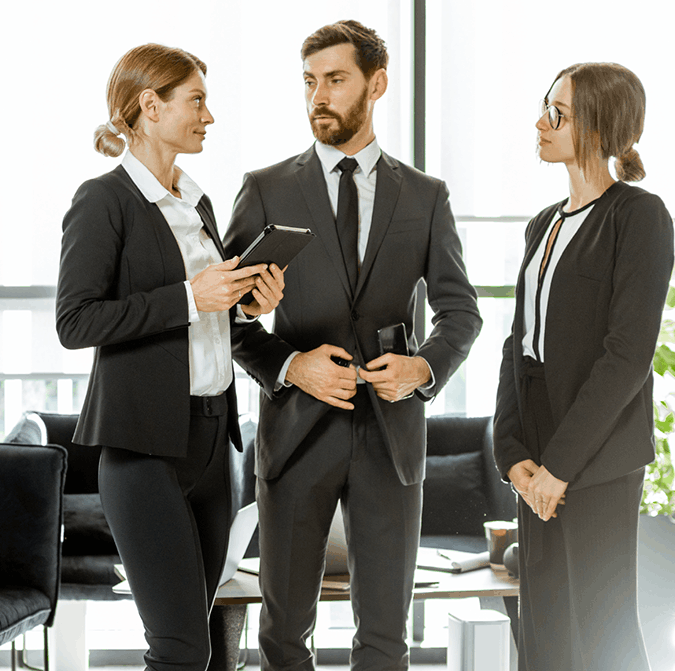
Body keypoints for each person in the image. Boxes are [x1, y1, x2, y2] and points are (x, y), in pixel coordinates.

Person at [225, 20, 481, 671]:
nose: (318, 96)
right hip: (295, 435)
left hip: (391, 439)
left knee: (386, 638)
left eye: (334, 80)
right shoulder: (266, 188)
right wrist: (289, 364)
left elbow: (460, 312)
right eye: (309, 81)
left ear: (376, 83)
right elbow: (222, 317)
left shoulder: (425, 197)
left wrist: (423, 366)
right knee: (283, 637)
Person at [56, 43, 286, 671]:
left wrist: (245, 302)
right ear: (150, 106)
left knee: (209, 643)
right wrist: (189, 297)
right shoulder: (103, 200)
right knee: (179, 648)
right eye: (197, 100)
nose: (209, 116)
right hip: (142, 448)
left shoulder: (197, 203)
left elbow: (211, 316)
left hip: (214, 442)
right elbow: (74, 322)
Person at [492, 62, 672, 671]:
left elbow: (626, 357)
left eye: (557, 114)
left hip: (595, 453)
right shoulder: (543, 223)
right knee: (542, 627)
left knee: (602, 628)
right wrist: (511, 448)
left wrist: (559, 468)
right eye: (546, 107)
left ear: (595, 126)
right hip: (537, 449)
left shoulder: (638, 217)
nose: (540, 123)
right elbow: (519, 341)